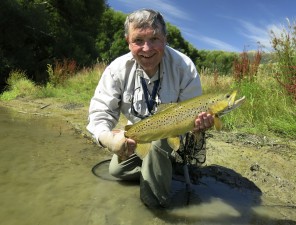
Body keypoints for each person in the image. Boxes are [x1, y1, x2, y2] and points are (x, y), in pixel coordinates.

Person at [87, 9, 214, 208]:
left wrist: (200, 124)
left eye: (155, 38)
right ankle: (161, 170)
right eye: (138, 40)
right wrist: (108, 139)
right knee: (117, 171)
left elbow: (194, 113)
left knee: (157, 147)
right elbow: (101, 111)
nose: (147, 48)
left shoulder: (184, 67)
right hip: (137, 133)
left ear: (165, 39)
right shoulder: (116, 70)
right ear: (127, 41)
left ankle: (156, 208)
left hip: (172, 133)